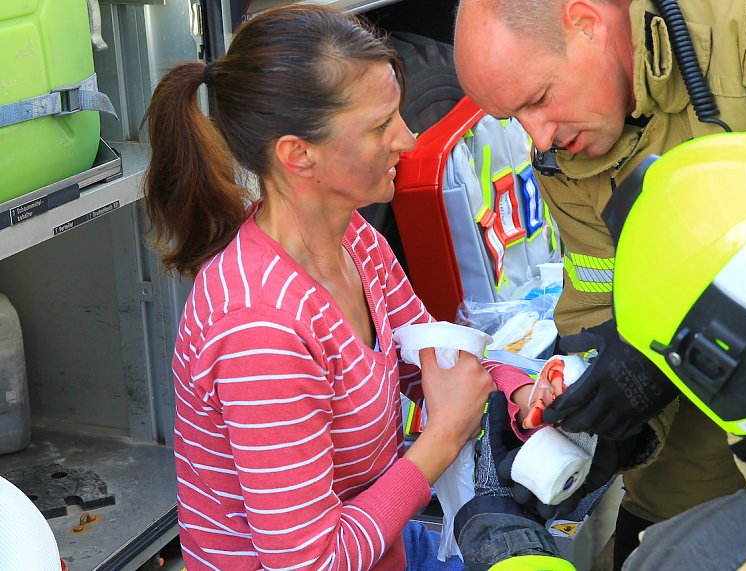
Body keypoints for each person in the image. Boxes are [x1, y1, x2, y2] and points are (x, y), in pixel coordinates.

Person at [453, 0, 746, 564]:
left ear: (587, 21)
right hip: (714, 441)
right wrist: (596, 415)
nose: (538, 139)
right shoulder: (565, 148)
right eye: (514, 120)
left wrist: (657, 355)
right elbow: (597, 293)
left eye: (539, 100)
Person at [142, 5, 536, 570]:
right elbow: (310, 562)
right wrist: (441, 440)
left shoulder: (354, 238)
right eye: (380, 126)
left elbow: (433, 357)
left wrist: (522, 391)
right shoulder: (259, 329)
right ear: (298, 154)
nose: (408, 137)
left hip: (383, 549)